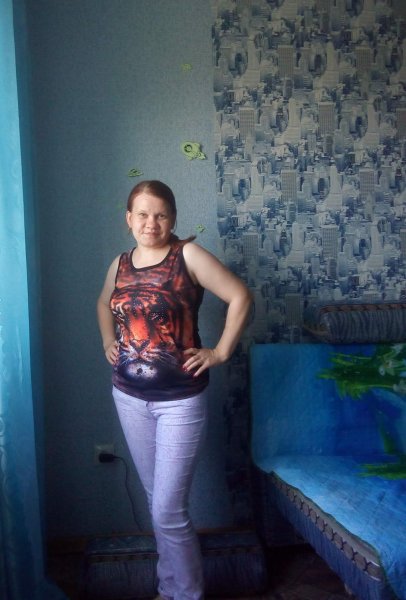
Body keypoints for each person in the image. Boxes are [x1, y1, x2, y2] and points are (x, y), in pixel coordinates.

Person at [97, 180, 252, 600]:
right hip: (128, 396)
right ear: (128, 219)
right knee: (157, 502)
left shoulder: (187, 256)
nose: (151, 223)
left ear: (173, 219)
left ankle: (184, 593)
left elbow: (240, 296)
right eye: (143, 214)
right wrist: (109, 341)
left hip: (180, 401)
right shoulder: (120, 263)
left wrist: (220, 351)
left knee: (168, 509)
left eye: (161, 214)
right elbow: (103, 303)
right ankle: (171, 589)